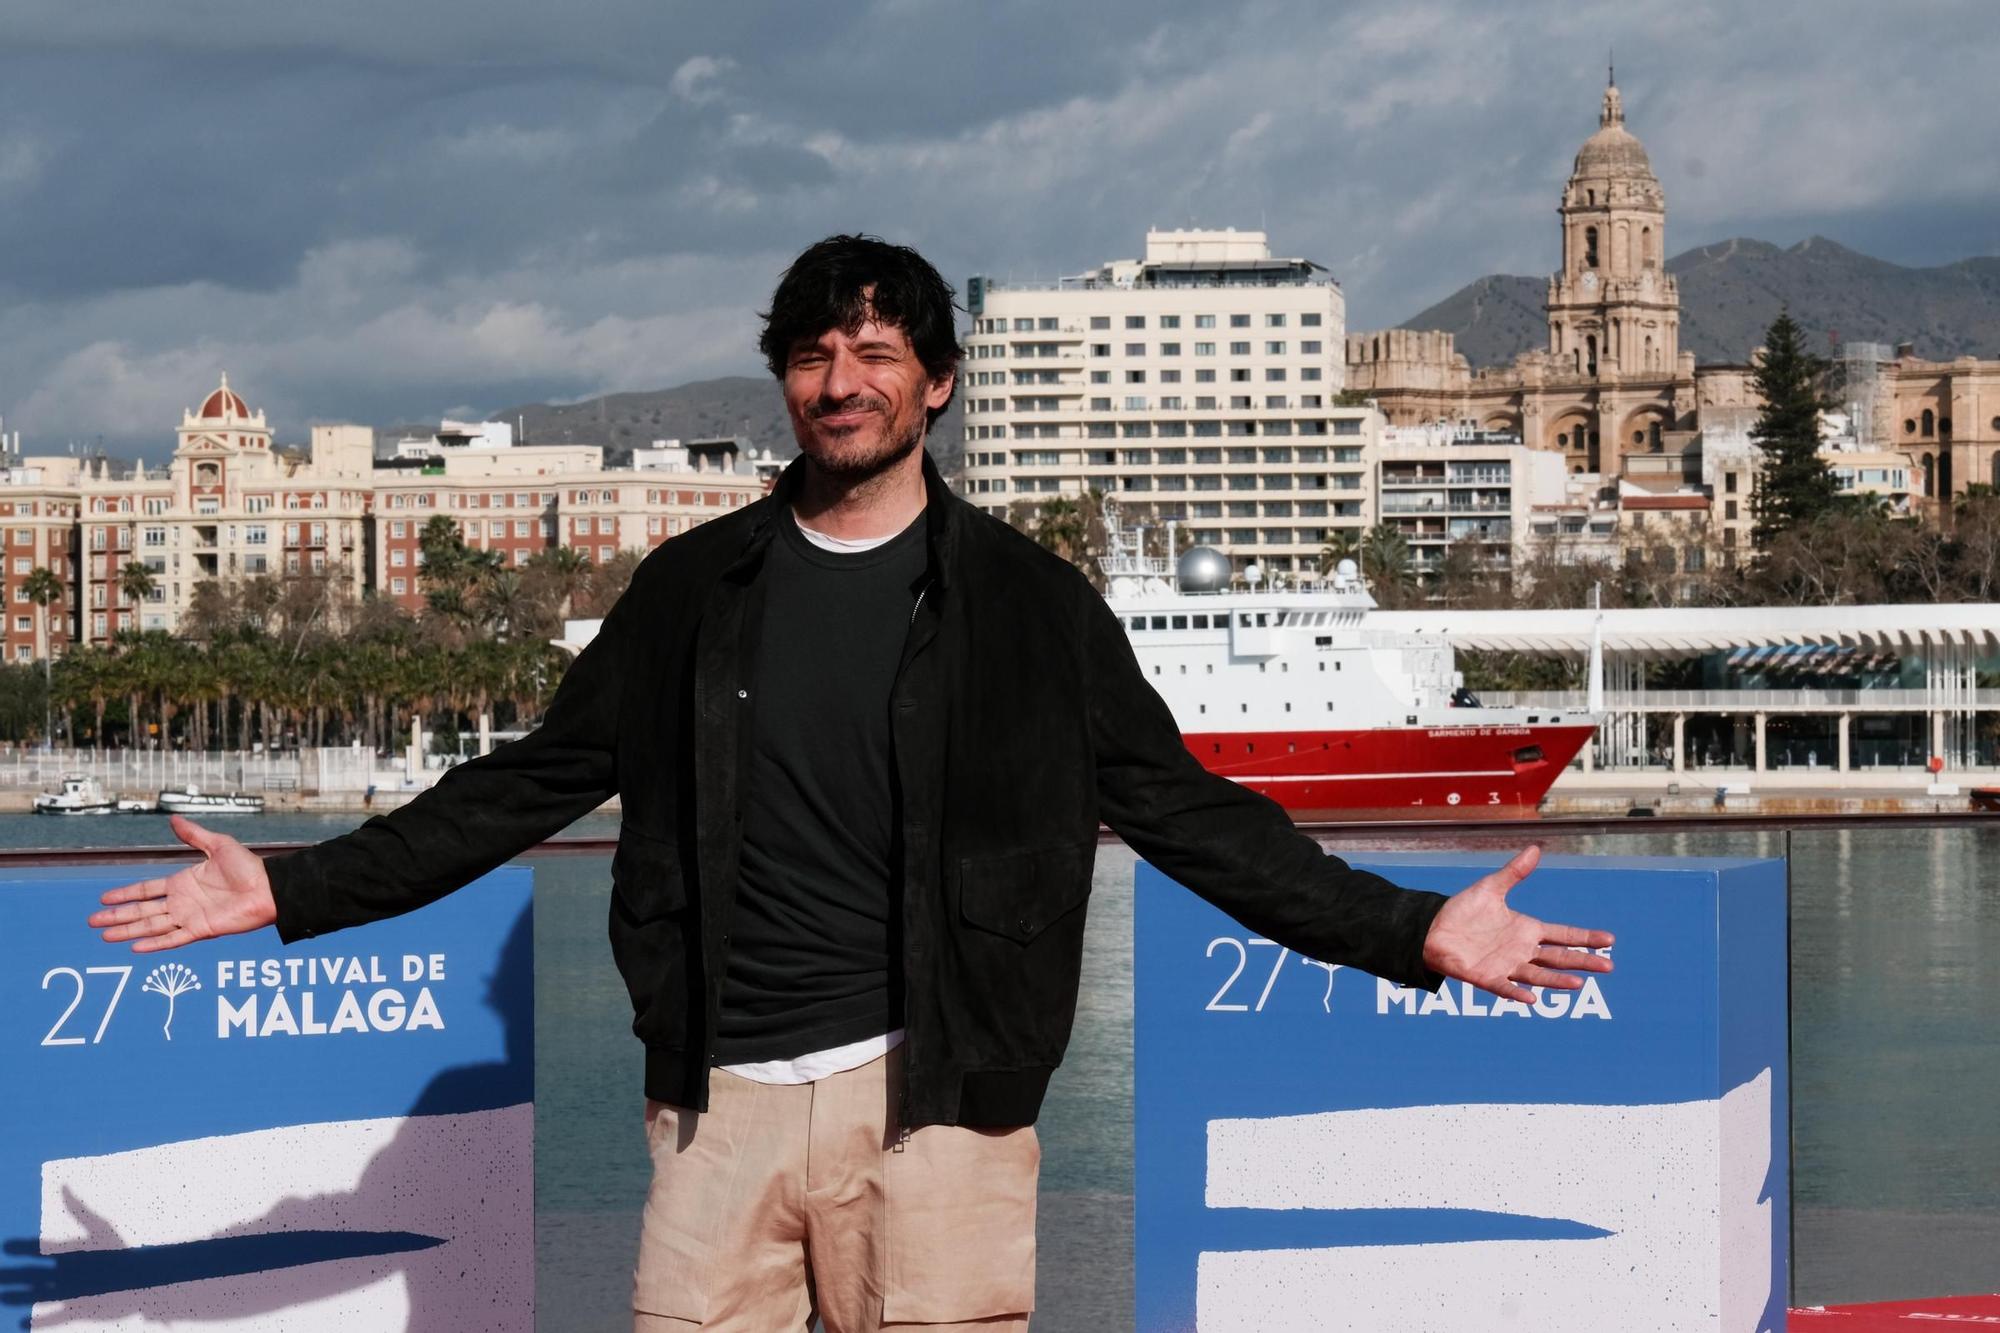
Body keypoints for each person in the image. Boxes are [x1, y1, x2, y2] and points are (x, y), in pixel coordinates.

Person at [88, 235, 1614, 1333]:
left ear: (936, 383)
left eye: (877, 351)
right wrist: (291, 885)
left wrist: (1413, 931)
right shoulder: (692, 590)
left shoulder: (1028, 605)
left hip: (934, 1106)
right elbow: (528, 784)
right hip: (723, 1104)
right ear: (783, 380)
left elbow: (1190, 811)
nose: (842, 378)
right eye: (815, 352)